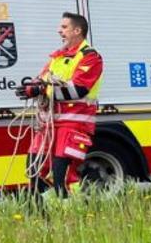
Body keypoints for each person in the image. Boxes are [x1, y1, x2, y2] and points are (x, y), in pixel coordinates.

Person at [15, 12, 103, 197]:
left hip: (73, 123)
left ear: (77, 30)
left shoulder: (90, 57)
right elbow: (41, 79)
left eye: (64, 27)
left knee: (60, 174)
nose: (59, 31)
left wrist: (42, 90)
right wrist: (30, 88)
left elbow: (78, 89)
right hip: (48, 124)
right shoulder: (57, 57)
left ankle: (73, 212)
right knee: (34, 167)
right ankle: (41, 215)